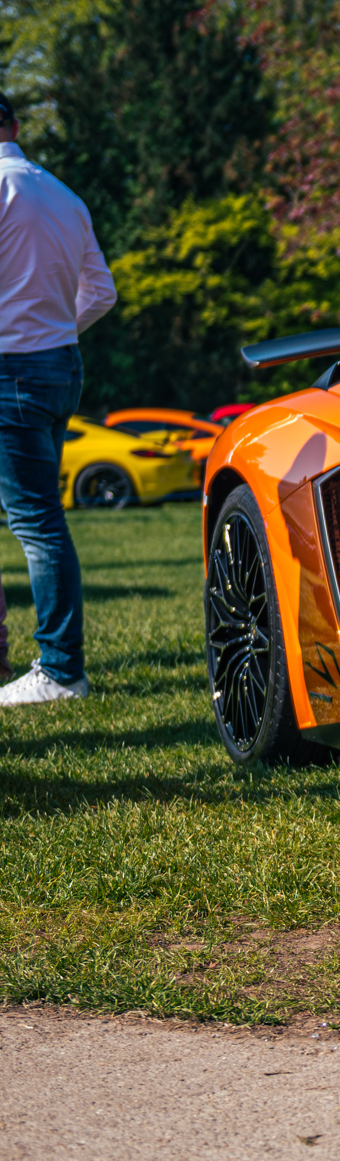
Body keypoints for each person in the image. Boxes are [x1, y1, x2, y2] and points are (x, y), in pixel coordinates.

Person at [0, 92, 116, 703]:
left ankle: (61, 669)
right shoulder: (64, 194)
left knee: (36, 522)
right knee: (39, 517)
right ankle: (54, 662)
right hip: (57, 363)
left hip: (10, 370)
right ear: (14, 125)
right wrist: (50, 329)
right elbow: (100, 291)